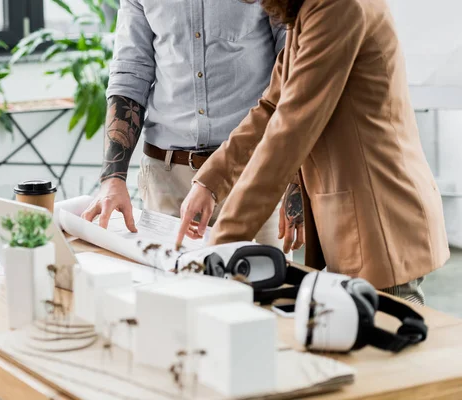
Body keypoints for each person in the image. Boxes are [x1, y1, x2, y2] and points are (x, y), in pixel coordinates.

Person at [176, 0, 450, 304]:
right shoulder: (310, 8)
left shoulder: (338, 7)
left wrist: (223, 242)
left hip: (381, 223)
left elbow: (289, 130)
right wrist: (210, 183)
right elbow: (271, 107)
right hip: (359, 223)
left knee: (383, 345)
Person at [81, 0, 303, 254]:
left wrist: (297, 177)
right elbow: (130, 72)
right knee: (171, 288)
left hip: (253, 174)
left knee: (259, 287)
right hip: (167, 180)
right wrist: (113, 177)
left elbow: (294, 74)